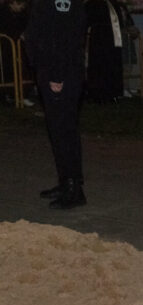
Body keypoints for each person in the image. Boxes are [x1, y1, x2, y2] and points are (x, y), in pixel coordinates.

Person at [24, 0, 88, 209]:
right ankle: (65, 181)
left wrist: (56, 75)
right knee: (57, 131)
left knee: (64, 130)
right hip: (48, 69)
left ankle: (74, 188)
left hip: (60, 73)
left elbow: (64, 37)